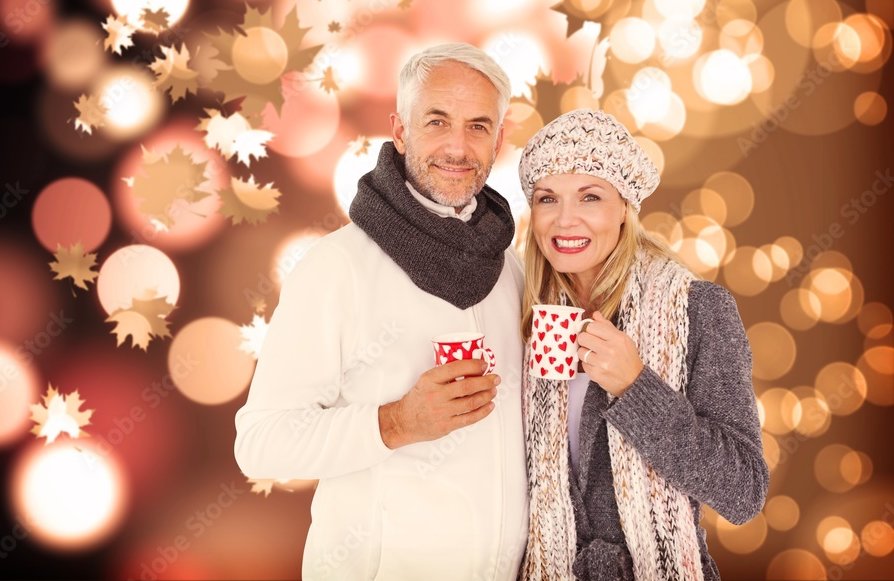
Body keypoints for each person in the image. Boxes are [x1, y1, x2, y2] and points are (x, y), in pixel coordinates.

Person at [235, 43, 529, 580]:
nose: (458, 147)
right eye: (437, 121)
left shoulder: (510, 271)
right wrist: (394, 423)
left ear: (499, 140)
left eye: (479, 126)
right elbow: (261, 444)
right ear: (400, 130)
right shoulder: (337, 268)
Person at [516, 109, 769, 580]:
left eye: (590, 196)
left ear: (624, 209)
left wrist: (637, 387)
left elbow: (743, 491)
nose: (565, 220)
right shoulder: (523, 311)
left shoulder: (698, 310)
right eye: (548, 198)